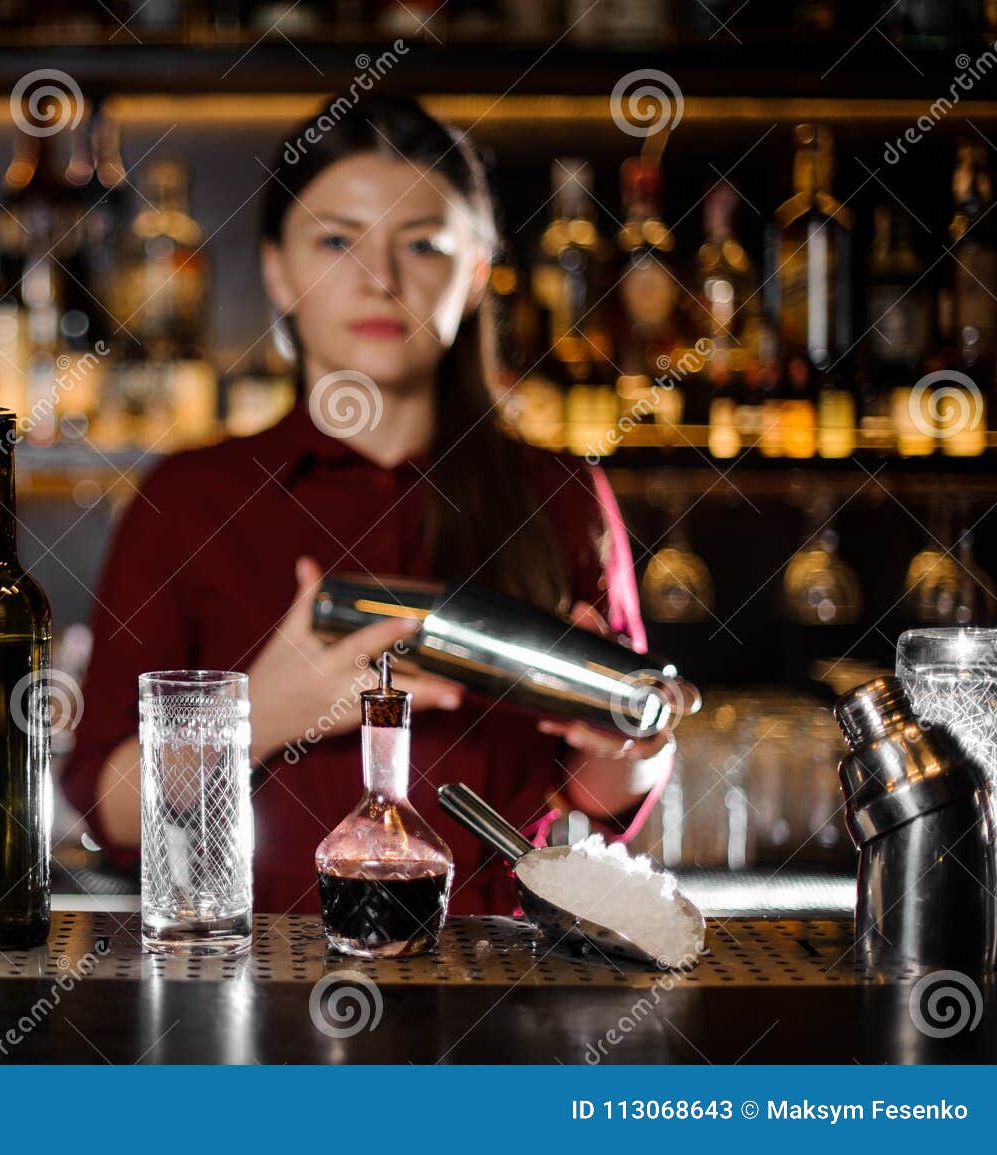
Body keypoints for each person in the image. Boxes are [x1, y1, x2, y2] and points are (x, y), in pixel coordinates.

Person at [61, 96, 672, 915]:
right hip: (258, 987)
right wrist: (263, 710)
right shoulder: (188, 501)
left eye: (422, 243)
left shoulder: (561, 495)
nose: (380, 279)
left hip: (502, 989)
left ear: (479, 270)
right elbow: (110, 808)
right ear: (277, 269)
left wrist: (627, 746)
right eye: (337, 240)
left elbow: (599, 805)